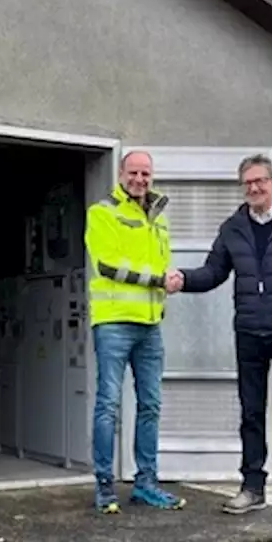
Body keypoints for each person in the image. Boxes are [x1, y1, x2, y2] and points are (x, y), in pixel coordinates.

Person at [165, 153, 272, 520]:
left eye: (260, 181)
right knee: (251, 413)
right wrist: (183, 280)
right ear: (243, 188)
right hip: (250, 334)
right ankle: (252, 487)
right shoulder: (232, 228)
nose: (254, 188)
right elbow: (213, 272)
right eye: (248, 183)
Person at [83, 150, 185, 514]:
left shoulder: (158, 218)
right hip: (113, 323)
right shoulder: (103, 212)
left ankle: (146, 484)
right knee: (108, 405)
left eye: (145, 173)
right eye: (133, 172)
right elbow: (108, 265)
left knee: (151, 405)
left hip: (150, 325)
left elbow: (158, 263)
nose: (139, 179)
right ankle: (105, 488)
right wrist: (160, 279)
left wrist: (169, 280)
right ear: (121, 173)